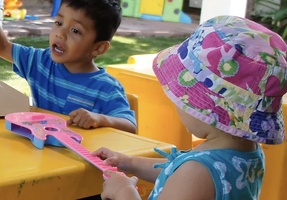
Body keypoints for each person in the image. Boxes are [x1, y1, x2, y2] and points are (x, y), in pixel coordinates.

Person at [96, 15, 287, 200]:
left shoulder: (197, 172)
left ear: (206, 107)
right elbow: (174, 170)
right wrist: (128, 163)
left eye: (181, 97)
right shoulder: (245, 152)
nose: (177, 102)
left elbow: (187, 176)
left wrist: (124, 192)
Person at [0, 0, 137, 133]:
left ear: (98, 48)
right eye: (59, 22)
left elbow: (130, 126)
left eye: (75, 30)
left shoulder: (107, 88)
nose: (60, 33)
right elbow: (2, 47)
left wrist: (101, 119)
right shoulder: (40, 62)